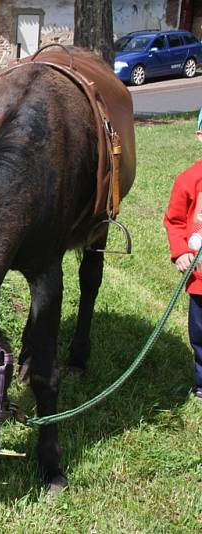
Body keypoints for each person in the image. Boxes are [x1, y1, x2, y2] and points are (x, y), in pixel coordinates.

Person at [163, 112, 202, 400]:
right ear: (200, 135)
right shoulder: (189, 180)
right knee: (199, 336)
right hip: (199, 281)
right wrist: (180, 252)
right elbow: (174, 220)